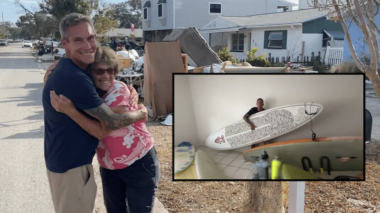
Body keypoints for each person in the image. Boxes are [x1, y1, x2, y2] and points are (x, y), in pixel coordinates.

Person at [42, 13, 148, 213]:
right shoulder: (75, 77)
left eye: (90, 38)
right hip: (71, 168)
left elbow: (103, 76)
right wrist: (142, 113)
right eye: (78, 40)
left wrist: (128, 89)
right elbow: (109, 124)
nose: (88, 45)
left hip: (65, 164)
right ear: (65, 43)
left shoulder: (75, 70)